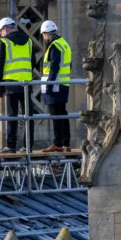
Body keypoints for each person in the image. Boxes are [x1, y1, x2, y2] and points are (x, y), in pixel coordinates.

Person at [0, 17, 35, 153]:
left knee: (12, 116)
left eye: (1, 31)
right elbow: (33, 62)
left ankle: (11, 146)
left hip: (11, 83)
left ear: (5, 29)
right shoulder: (28, 41)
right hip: (26, 83)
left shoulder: (4, 42)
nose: (1, 34)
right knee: (28, 116)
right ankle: (28, 146)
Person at [39, 20, 72, 153]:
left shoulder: (54, 46)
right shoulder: (64, 44)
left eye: (43, 35)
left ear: (46, 34)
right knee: (62, 113)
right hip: (64, 83)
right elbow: (69, 65)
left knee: (56, 114)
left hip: (55, 84)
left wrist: (49, 85)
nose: (43, 37)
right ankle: (66, 143)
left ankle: (58, 143)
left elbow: (54, 67)